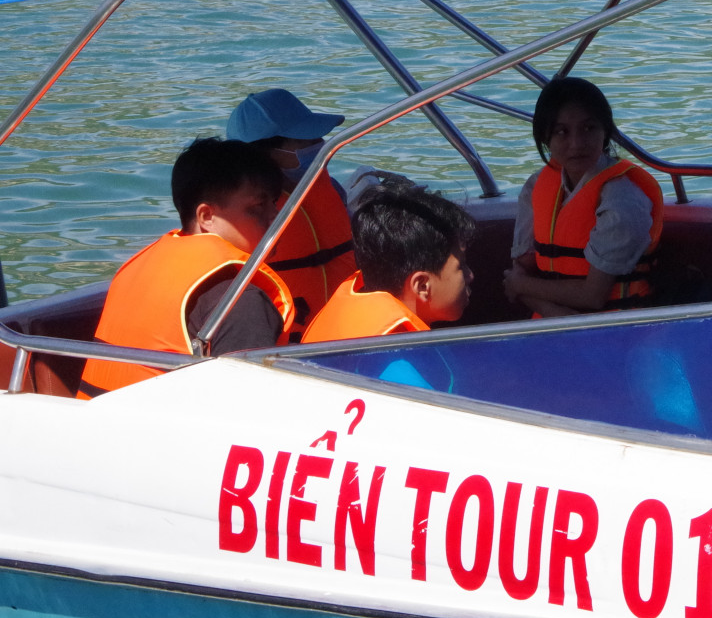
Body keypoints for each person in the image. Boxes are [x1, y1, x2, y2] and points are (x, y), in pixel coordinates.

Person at [81, 137, 296, 396]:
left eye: (274, 203)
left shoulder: (140, 268)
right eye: (258, 206)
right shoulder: (241, 301)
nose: (276, 216)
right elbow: (248, 406)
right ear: (207, 217)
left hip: (95, 425)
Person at [503, 78, 665, 318]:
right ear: (546, 138)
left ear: (605, 131)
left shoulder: (623, 200)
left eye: (589, 128)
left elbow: (593, 296)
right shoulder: (536, 186)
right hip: (550, 326)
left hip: (617, 335)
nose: (577, 144)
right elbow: (521, 269)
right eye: (562, 132)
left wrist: (522, 289)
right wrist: (546, 307)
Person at [227, 88, 357, 337]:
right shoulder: (238, 217)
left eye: (318, 138)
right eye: (305, 140)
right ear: (263, 153)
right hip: (286, 342)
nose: (319, 146)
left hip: (344, 327)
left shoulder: (327, 187)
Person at [303, 178, 475, 343]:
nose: (470, 275)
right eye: (461, 266)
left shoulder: (352, 313)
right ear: (422, 286)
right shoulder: (400, 361)